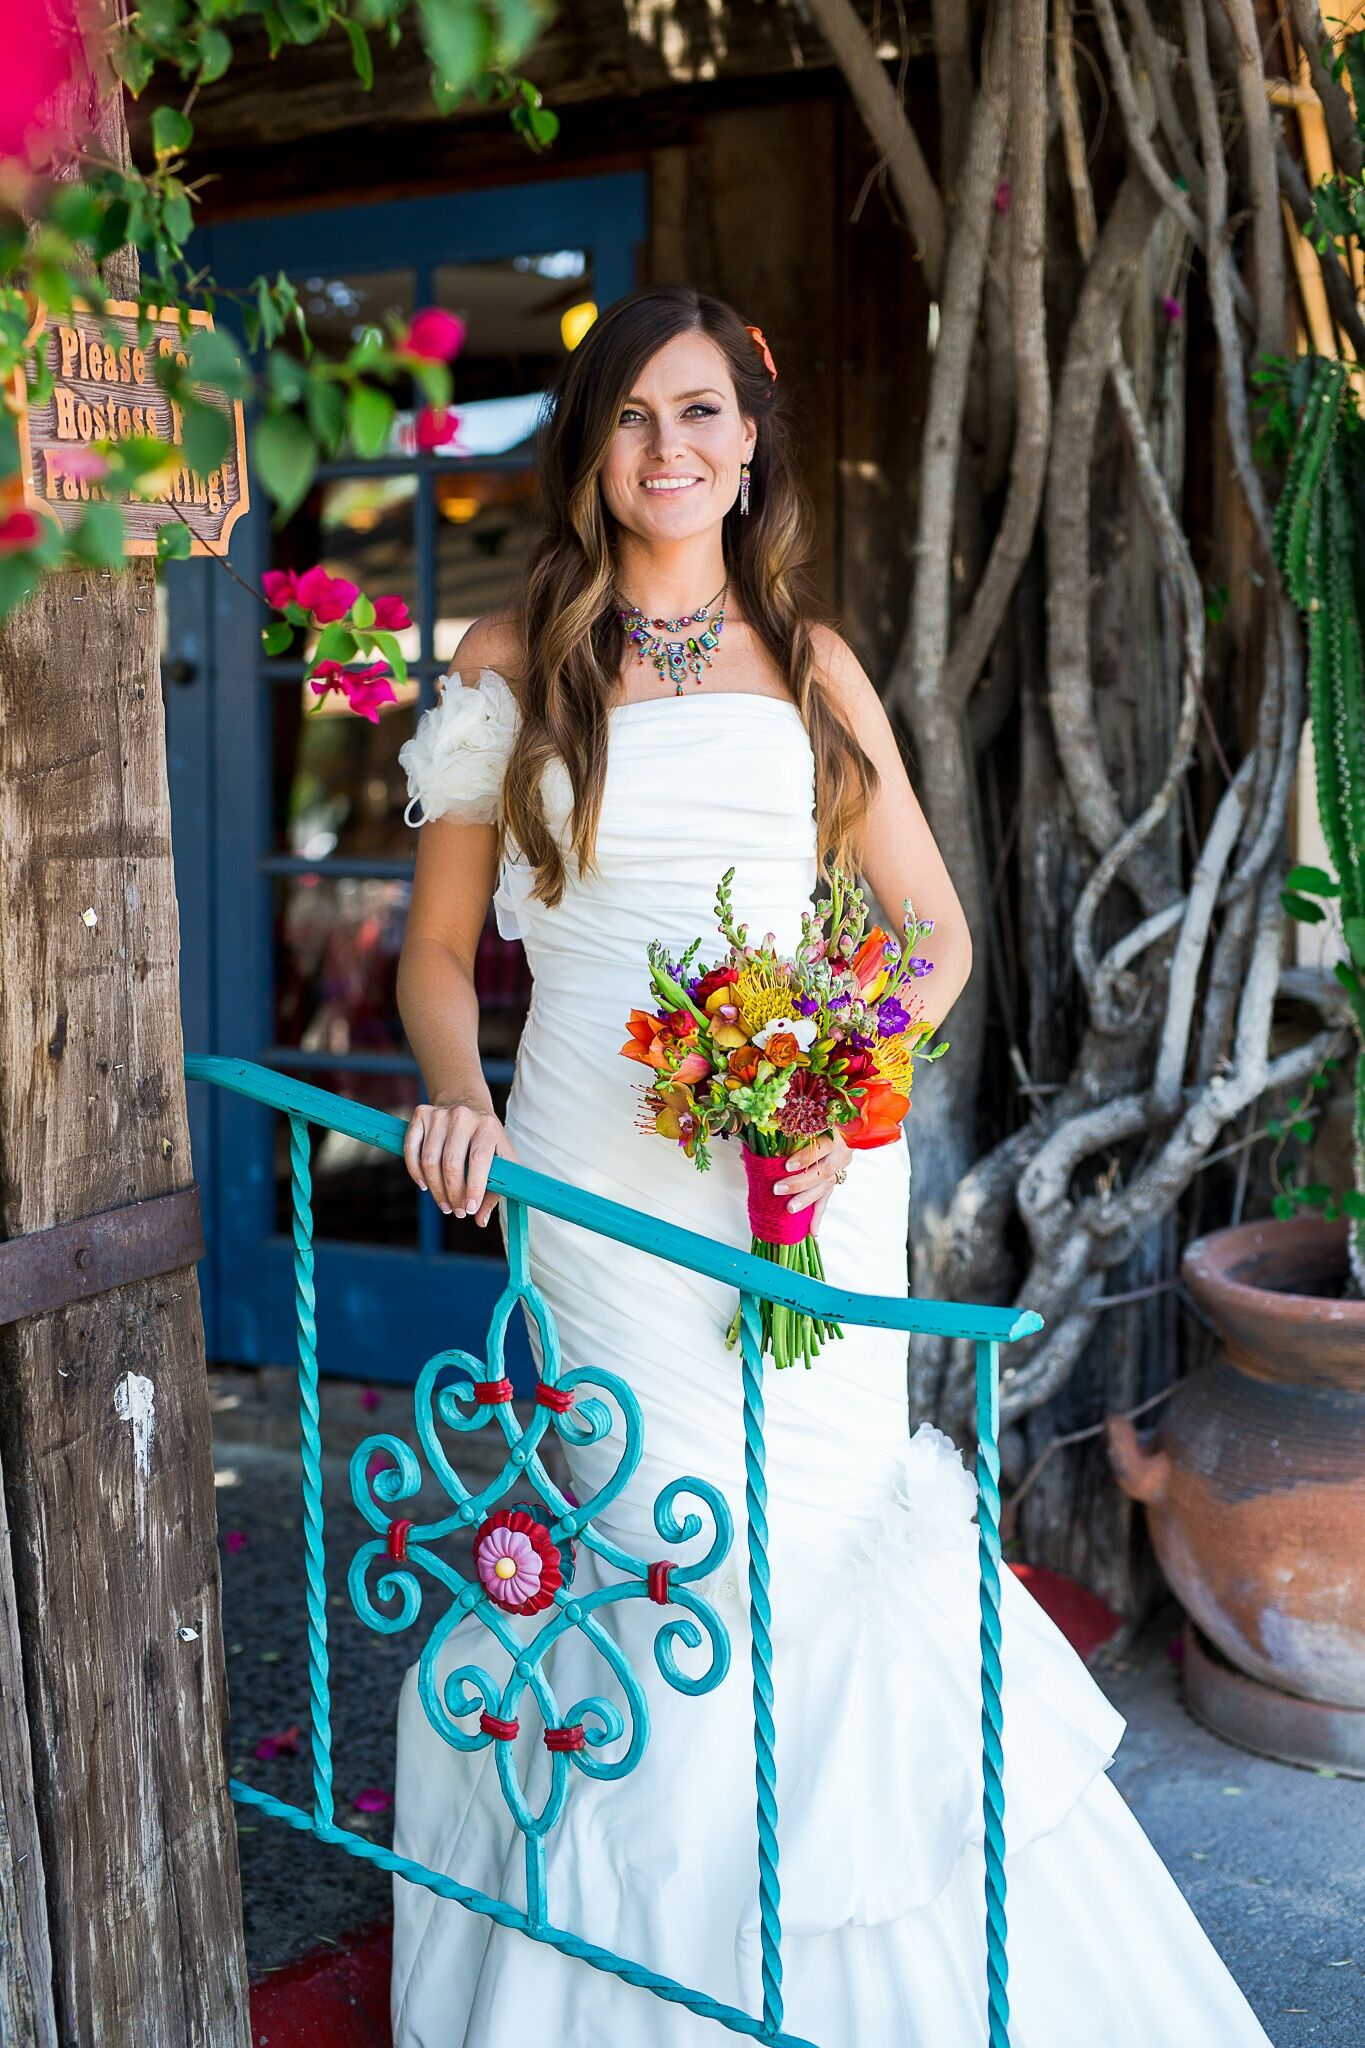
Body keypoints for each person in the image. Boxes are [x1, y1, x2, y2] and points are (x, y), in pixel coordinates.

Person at [388, 284, 1274, 2047]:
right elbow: (434, 953)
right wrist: (453, 1098)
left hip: (796, 1175)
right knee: (649, 1537)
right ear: (592, 445)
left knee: (804, 1536)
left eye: (702, 413)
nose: (670, 449)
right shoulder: (507, 664)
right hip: (594, 1172)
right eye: (634, 415)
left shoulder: (812, 668)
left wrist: (819, 1077)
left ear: (748, 445)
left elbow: (927, 938)